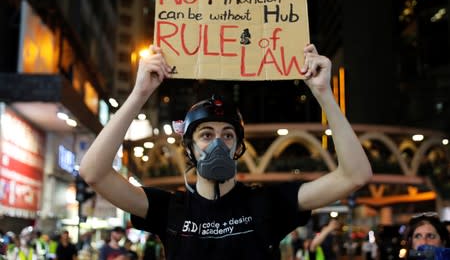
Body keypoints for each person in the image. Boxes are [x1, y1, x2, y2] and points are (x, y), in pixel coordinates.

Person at [79, 44, 373, 260]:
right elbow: (94, 173)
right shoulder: (170, 209)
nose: (218, 143)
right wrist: (139, 93)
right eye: (206, 135)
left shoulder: (266, 203)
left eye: (228, 135)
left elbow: (355, 176)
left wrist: (324, 94)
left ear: (238, 147)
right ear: (190, 148)